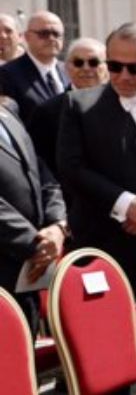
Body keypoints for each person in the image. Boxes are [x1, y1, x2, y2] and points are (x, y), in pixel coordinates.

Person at [56, 23, 136, 387]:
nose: (122, 76)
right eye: (114, 66)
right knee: (101, 347)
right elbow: (72, 167)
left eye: (134, 68)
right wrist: (128, 205)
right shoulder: (78, 105)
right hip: (106, 242)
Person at [0, 105, 66, 332]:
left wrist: (57, 226)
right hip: (14, 258)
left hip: (28, 271)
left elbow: (43, 176)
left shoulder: (8, 115)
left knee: (26, 357)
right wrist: (35, 243)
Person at [28, 37, 107, 177]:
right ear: (66, 67)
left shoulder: (123, 104)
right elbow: (41, 163)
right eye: (78, 63)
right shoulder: (47, 111)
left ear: (106, 67)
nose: (86, 68)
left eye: (93, 62)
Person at [0, 11, 68, 123]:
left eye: (56, 34)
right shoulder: (6, 74)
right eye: (44, 34)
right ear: (27, 37)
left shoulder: (70, 70)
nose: (51, 38)